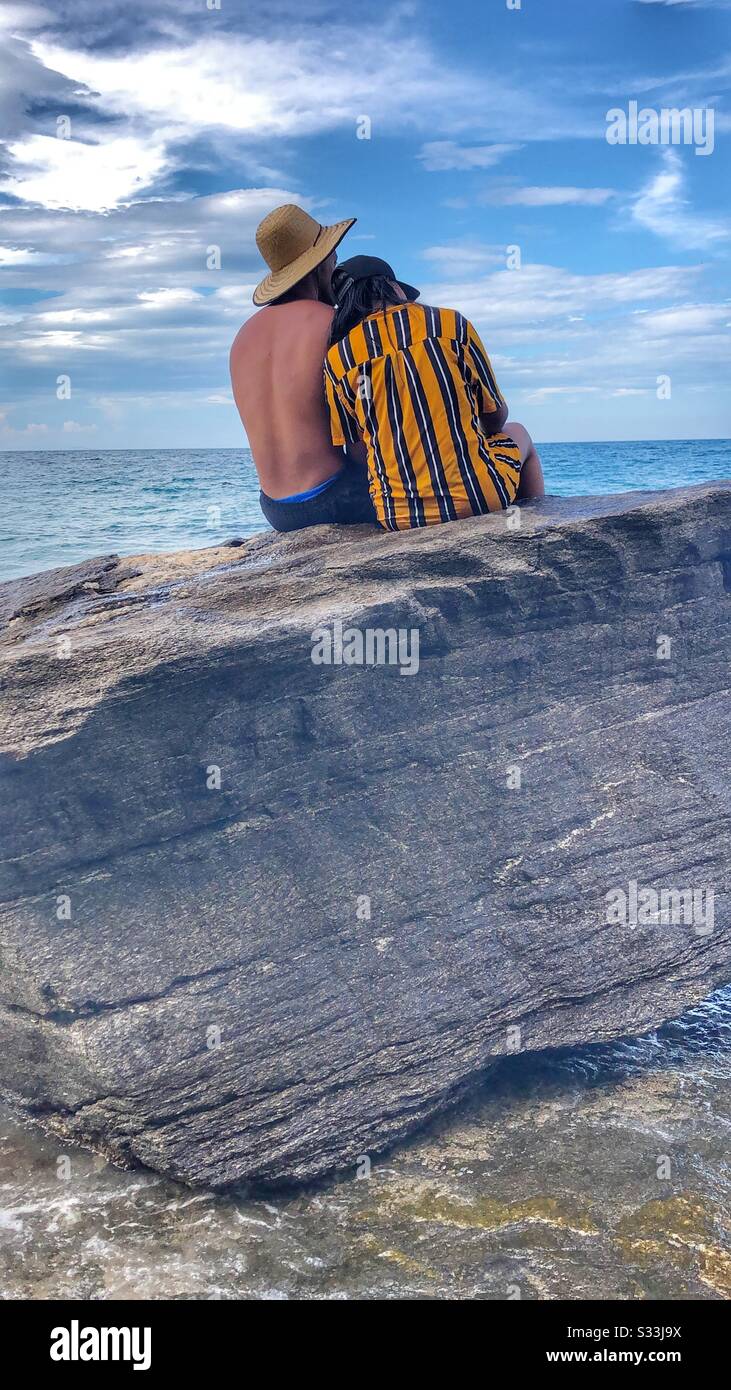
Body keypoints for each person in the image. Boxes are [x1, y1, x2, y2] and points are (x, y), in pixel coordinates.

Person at [324, 255, 545, 530]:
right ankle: (534, 529)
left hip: (397, 515)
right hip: (477, 498)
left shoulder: (338, 359)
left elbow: (358, 452)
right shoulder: (450, 325)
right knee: (519, 432)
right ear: (394, 288)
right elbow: (496, 416)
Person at [229, 204, 376, 532]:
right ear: (320, 264)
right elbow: (360, 441)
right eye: (332, 255)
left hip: (274, 508)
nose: (336, 261)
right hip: (336, 500)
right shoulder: (333, 322)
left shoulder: (243, 337)